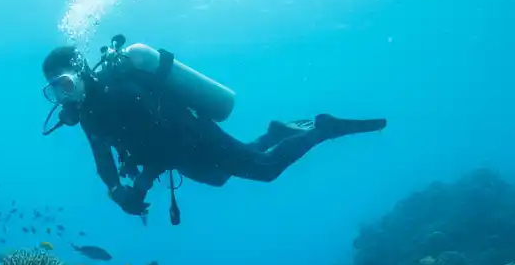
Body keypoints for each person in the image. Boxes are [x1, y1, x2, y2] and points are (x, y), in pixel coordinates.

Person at [41, 39, 386, 222]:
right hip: (175, 154)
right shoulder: (87, 112)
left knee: (265, 169)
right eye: (55, 91)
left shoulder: (121, 92)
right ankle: (275, 133)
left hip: (192, 136)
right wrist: (117, 192)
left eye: (66, 84)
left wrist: (143, 183)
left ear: (80, 72)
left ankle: (323, 129)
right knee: (221, 177)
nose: (63, 96)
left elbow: (163, 139)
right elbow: (101, 155)